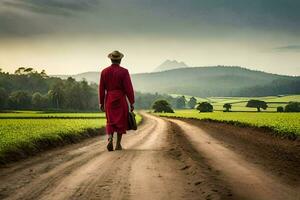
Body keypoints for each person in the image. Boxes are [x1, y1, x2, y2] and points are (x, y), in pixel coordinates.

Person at [99, 50, 135, 151]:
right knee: (121, 121)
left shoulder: (104, 72)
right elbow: (129, 88)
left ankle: (110, 138)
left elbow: (101, 89)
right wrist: (131, 102)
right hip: (120, 99)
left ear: (111, 59)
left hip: (109, 99)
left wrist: (101, 102)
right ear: (120, 60)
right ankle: (118, 144)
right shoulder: (124, 72)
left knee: (110, 121)